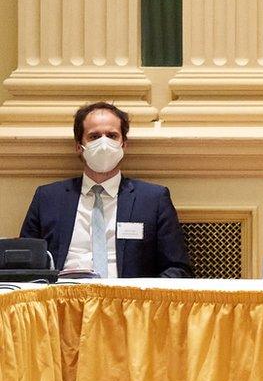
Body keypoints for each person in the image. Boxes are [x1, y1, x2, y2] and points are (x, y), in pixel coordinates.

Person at [19, 101, 191, 278]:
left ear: (124, 144)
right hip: (62, 300)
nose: (104, 143)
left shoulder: (153, 199)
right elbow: (23, 265)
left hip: (127, 302)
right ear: (79, 146)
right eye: (94, 136)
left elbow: (177, 269)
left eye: (112, 136)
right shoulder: (47, 198)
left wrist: (143, 301)